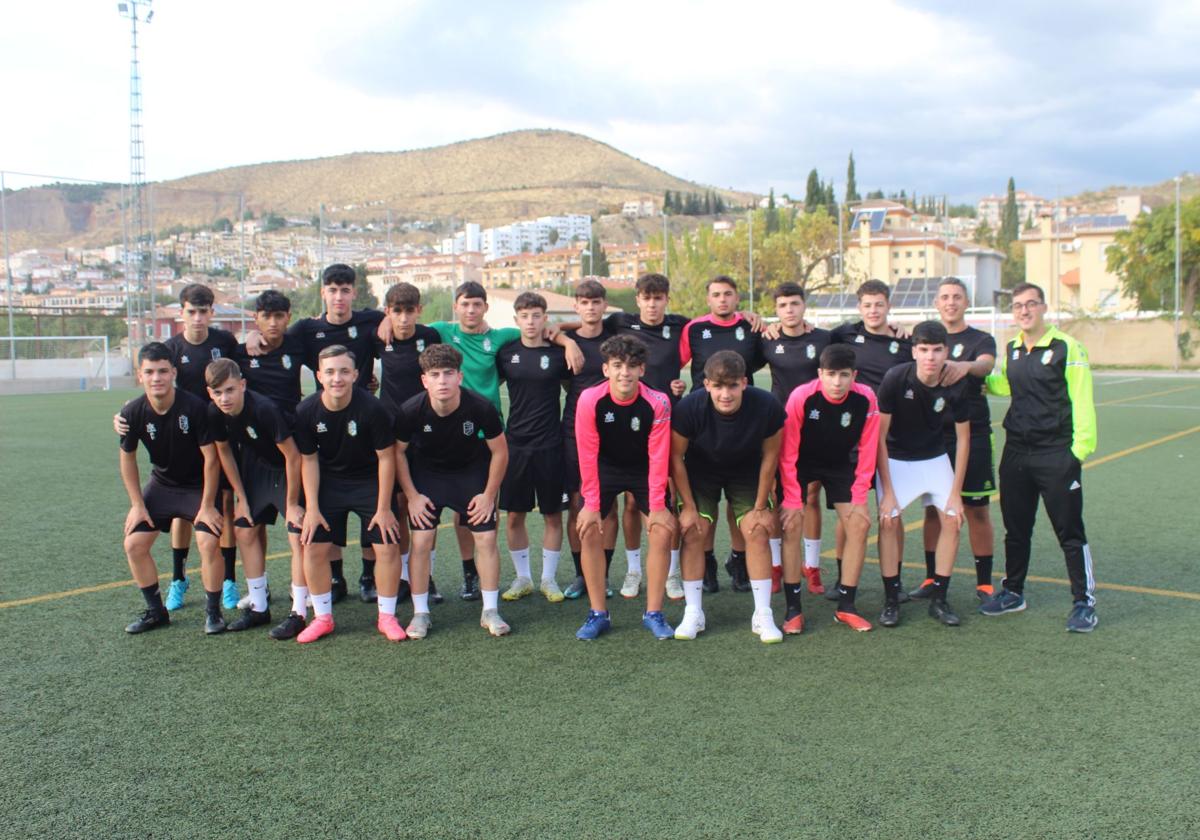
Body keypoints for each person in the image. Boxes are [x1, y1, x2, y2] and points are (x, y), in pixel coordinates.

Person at [385, 280, 580, 602]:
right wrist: (385, 318)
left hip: (488, 431)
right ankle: (434, 578)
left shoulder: (503, 337)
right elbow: (406, 321)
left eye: (477, 304)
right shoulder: (442, 332)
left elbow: (541, 329)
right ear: (456, 307)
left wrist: (562, 338)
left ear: (486, 307)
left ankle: (475, 575)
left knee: (472, 509)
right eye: (465, 304)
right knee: (428, 509)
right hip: (442, 429)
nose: (471, 310)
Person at [250, 264, 386, 605]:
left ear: (354, 292)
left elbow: (392, 322)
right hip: (322, 423)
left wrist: (385, 318)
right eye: (332, 290)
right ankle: (336, 577)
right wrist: (252, 337)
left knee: (369, 498)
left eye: (345, 290)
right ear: (322, 293)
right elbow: (273, 335)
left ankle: (369, 578)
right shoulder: (306, 330)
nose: (339, 297)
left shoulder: (371, 321)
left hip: (364, 417)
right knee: (330, 502)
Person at [980, 283, 1098, 632]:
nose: (1024, 311)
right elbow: (1006, 384)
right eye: (1018, 306)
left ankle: (1084, 602)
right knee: (1016, 529)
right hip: (1016, 453)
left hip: (1056, 453)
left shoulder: (1067, 347)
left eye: (1031, 304)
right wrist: (976, 375)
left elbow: (1082, 400)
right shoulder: (1014, 347)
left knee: (1070, 531)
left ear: (1044, 307)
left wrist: (1078, 451)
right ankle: (1013, 592)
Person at [115, 283, 240, 612]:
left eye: (203, 311)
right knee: (180, 519)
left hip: (217, 435)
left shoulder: (225, 342)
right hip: (179, 440)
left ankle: (227, 580)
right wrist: (129, 412)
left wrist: (251, 340)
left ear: (212, 312)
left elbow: (241, 375)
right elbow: (154, 391)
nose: (198, 318)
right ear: (181, 313)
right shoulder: (169, 348)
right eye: (191, 311)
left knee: (222, 507)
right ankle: (179, 579)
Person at [394, 344, 511, 638]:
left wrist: (488, 494)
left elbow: (500, 452)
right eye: (435, 375)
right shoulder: (410, 410)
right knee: (421, 540)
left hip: (470, 473)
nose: (442, 381)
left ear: (459, 377)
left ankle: (491, 610)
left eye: (448, 373)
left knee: (485, 537)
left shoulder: (481, 407)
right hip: (428, 477)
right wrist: (412, 496)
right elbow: (397, 454)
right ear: (425, 380)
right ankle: (421, 613)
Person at [670, 351, 785, 643]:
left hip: (747, 470)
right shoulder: (689, 407)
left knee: (758, 529)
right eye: (718, 386)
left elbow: (771, 456)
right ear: (706, 384)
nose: (725, 394)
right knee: (694, 530)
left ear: (745, 382)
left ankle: (763, 613)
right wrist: (689, 508)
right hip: (701, 471)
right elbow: (676, 457)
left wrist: (760, 506)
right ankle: (693, 611)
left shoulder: (767, 406)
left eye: (732, 385)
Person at [292, 346, 404, 643]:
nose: (336, 378)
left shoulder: (373, 409)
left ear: (355, 374)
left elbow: (386, 458)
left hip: (369, 481)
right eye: (329, 372)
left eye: (343, 371)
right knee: (313, 546)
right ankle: (323, 618)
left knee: (387, 545)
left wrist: (383, 508)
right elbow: (309, 460)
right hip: (330, 483)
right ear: (319, 376)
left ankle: (387, 616)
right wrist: (312, 507)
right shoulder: (306, 411)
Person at [573, 335, 676, 640]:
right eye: (617, 366)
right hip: (604, 468)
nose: (624, 373)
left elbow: (659, 455)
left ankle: (654, 613)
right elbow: (587, 452)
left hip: (644, 468)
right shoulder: (590, 400)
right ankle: (598, 613)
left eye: (632, 366)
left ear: (642, 370)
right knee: (589, 528)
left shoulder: (658, 402)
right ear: (606, 369)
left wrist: (657, 506)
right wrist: (591, 504)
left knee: (662, 530)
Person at [118, 342, 225, 635]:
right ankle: (156, 612)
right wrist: (137, 505)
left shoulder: (194, 407)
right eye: (150, 372)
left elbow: (211, 459)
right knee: (134, 544)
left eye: (163, 371)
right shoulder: (131, 412)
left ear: (173, 373)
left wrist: (207, 505)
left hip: (197, 487)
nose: (157, 378)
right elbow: (127, 460)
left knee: (207, 542)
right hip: (162, 486)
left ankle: (213, 613)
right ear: (140, 375)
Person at [874, 321, 971, 628]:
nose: (930, 357)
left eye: (937, 350)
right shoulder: (895, 378)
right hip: (897, 460)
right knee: (888, 521)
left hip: (935, 458)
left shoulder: (955, 382)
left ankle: (939, 599)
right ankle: (891, 599)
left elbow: (964, 439)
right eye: (924, 350)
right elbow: (879, 437)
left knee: (953, 520)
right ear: (914, 351)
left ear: (947, 352)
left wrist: (957, 492)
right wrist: (887, 491)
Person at [778, 344, 880, 633]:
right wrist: (792, 498)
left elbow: (868, 450)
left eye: (844, 375)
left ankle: (846, 607)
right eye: (831, 374)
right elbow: (788, 453)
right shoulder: (802, 397)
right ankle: (793, 610)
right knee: (792, 523)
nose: (837, 382)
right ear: (820, 374)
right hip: (801, 462)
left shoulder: (866, 399)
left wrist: (860, 498)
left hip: (840, 464)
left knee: (859, 524)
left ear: (854, 376)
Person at [204, 359, 306, 638]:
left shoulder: (264, 409)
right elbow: (225, 453)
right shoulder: (214, 412)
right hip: (256, 468)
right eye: (217, 393)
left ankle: (299, 612)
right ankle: (259, 607)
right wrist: (241, 498)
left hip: (287, 469)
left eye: (229, 390)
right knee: (244, 529)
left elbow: (293, 456)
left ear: (242, 385)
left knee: (297, 535)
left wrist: (293, 502)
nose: (224, 398)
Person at [826, 278, 914, 599]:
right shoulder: (844, 334)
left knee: (891, 511)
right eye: (867, 305)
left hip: (892, 436)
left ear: (888, 306)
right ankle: (841, 578)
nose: (873, 310)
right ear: (859, 307)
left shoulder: (906, 342)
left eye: (879, 304)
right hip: (851, 433)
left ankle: (895, 581)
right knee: (849, 510)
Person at [678, 275, 766, 594]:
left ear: (737, 297)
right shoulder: (695, 329)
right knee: (708, 501)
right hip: (705, 420)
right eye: (716, 294)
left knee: (738, 499)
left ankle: (739, 559)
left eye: (728, 294)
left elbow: (780, 345)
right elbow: (668, 360)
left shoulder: (752, 327)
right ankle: (708, 562)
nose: (723, 299)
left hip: (745, 419)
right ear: (708, 299)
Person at [915, 278, 999, 602]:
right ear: (937, 303)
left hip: (973, 433)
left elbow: (986, 365)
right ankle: (931, 579)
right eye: (945, 297)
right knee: (934, 511)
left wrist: (964, 366)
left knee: (977, 509)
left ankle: (985, 583)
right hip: (933, 437)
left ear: (966, 302)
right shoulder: (927, 338)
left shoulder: (980, 339)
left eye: (957, 297)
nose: (951, 302)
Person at [496, 292, 570, 603]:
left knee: (553, 515)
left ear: (545, 319)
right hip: (516, 446)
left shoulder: (557, 353)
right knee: (515, 516)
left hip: (552, 444)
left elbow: (574, 390)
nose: (530, 321)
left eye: (536, 315)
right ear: (516, 320)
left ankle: (548, 579)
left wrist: (568, 341)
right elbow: (486, 384)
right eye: (524, 316)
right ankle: (522, 578)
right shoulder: (506, 353)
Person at [760, 282, 832, 595]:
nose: (789, 310)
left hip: (816, 425)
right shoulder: (765, 339)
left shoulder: (823, 338)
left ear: (804, 306)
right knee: (779, 497)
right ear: (776, 310)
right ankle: (776, 566)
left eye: (794, 304)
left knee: (811, 495)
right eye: (783, 305)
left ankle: (812, 566)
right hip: (778, 425)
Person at [373, 282, 442, 604]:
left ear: (419, 310)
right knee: (398, 504)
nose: (402, 318)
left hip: (424, 429)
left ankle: (427, 576)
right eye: (396, 311)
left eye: (408, 311)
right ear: (387, 311)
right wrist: (379, 321)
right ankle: (402, 576)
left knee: (426, 502)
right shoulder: (378, 337)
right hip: (389, 430)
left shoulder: (429, 337)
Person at [560, 280, 620, 601]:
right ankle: (582, 575)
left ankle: (604, 573)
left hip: (613, 431)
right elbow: (567, 384)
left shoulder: (615, 340)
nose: (591, 308)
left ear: (604, 305)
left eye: (596, 302)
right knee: (577, 503)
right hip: (573, 431)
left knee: (608, 508)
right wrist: (565, 340)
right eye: (584, 302)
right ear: (576, 305)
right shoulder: (566, 342)